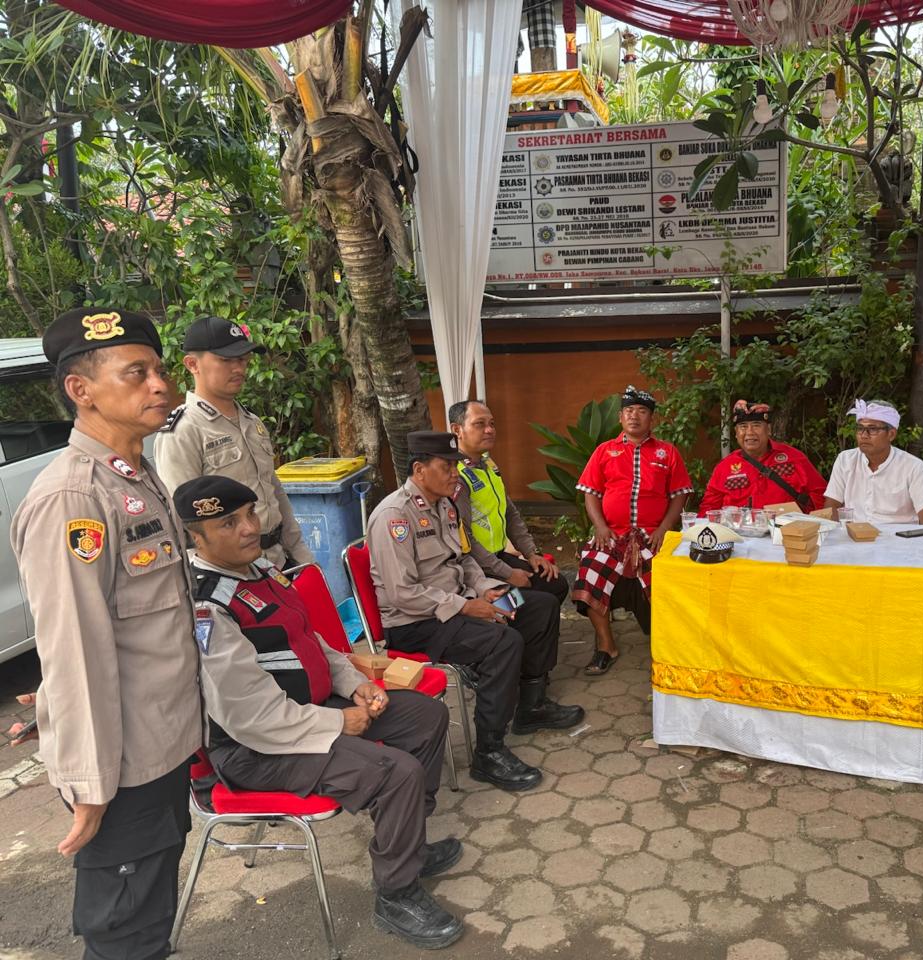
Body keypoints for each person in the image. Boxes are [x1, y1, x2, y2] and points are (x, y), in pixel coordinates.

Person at [178, 475, 463, 950]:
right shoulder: (208, 605)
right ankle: (396, 894)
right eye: (229, 522)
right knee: (397, 773)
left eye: (250, 513)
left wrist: (355, 687)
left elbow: (315, 643)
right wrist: (337, 723)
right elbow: (248, 715)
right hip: (257, 749)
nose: (250, 527)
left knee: (426, 718)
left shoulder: (262, 571)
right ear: (196, 535)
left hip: (306, 712)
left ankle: (407, 846)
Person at [11, 307, 204, 960]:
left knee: (149, 915)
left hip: (160, 743)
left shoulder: (135, 475)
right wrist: (87, 784)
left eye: (157, 369)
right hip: (122, 770)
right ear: (81, 389)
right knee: (123, 933)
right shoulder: (73, 498)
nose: (160, 386)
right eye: (136, 373)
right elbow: (75, 652)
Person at [368, 431, 584, 792]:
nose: (455, 473)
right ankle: (489, 752)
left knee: (538, 606)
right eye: (446, 466)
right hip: (420, 622)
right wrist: (469, 606)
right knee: (502, 642)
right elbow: (403, 594)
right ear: (420, 469)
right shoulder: (395, 517)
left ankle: (530, 706)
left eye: (456, 465)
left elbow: (464, 559)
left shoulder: (444, 505)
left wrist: (489, 589)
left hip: (465, 601)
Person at [154, 315, 315, 570]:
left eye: (242, 359)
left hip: (279, 561)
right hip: (232, 574)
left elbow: (275, 494)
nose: (238, 368)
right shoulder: (183, 431)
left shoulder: (251, 421)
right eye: (226, 360)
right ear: (192, 364)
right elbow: (184, 520)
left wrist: (303, 558)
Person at [573, 385, 693, 676]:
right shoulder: (604, 451)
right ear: (620, 417)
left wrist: (665, 528)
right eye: (629, 411)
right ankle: (606, 646)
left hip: (653, 536)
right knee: (589, 572)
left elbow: (680, 494)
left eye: (642, 412)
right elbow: (591, 493)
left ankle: (666, 649)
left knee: (668, 581)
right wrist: (600, 527)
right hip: (612, 535)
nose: (635, 417)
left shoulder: (668, 452)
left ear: (652, 419)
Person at [448, 399, 568, 604]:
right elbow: (464, 538)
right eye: (480, 424)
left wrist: (531, 553)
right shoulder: (454, 475)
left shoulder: (487, 464)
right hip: (476, 568)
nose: (489, 430)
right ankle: (513, 629)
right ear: (457, 430)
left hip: (498, 558)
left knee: (555, 584)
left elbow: (510, 513)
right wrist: (508, 573)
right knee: (534, 603)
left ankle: (530, 630)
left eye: (492, 424)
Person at [824, 399, 923, 525]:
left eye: (872, 429)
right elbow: (831, 507)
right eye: (860, 428)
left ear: (891, 434)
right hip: (855, 538)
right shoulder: (845, 460)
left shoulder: (913, 466)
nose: (864, 435)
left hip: (901, 541)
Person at [700, 400, 827, 514]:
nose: (749, 432)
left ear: (769, 430)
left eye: (756, 425)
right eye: (743, 426)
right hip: (741, 537)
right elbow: (709, 508)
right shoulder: (725, 467)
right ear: (736, 434)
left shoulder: (793, 458)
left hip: (785, 534)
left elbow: (821, 494)